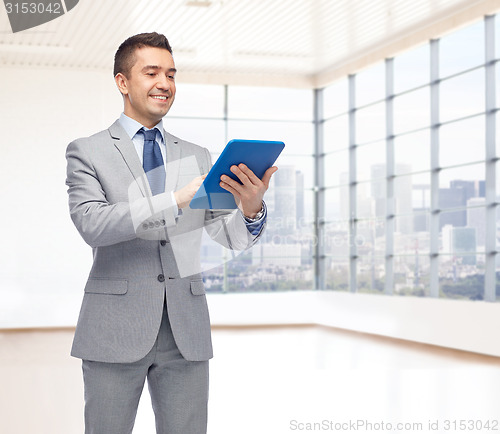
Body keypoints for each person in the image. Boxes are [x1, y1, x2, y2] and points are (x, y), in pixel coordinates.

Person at [65, 32, 277, 434]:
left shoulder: (197, 155)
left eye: (171, 74)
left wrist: (252, 209)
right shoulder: (87, 150)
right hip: (115, 329)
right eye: (152, 72)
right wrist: (175, 198)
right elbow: (93, 224)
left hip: (186, 330)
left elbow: (226, 235)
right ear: (123, 82)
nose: (165, 83)